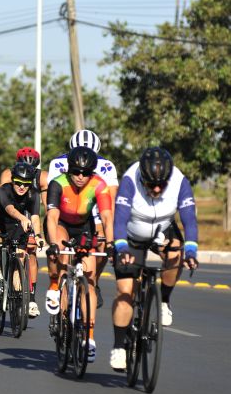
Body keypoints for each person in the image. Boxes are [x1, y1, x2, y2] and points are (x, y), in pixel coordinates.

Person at [109, 147, 198, 370]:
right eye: (151, 184)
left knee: (176, 252)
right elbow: (118, 220)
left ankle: (165, 300)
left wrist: (192, 251)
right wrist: (120, 248)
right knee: (125, 291)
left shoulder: (179, 180)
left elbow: (189, 220)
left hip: (163, 229)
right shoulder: (130, 179)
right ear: (143, 179)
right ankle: (119, 347)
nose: (157, 189)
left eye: (162, 184)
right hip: (132, 234)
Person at [45, 146, 114, 363]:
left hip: (85, 228)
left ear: (92, 172)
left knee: (90, 279)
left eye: (86, 173)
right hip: (63, 224)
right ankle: (56, 285)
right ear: (69, 170)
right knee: (61, 253)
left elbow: (106, 217)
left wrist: (111, 243)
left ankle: (89, 337)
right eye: (76, 172)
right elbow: (52, 217)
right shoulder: (58, 183)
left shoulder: (99, 185)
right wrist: (53, 245)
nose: (81, 177)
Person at [47, 130, 118, 308]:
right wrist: (50, 217)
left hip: (92, 212)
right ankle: (56, 285)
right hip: (64, 210)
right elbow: (49, 194)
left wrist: (109, 235)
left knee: (100, 246)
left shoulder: (106, 166)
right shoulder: (58, 163)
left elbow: (110, 201)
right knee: (60, 248)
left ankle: (94, 282)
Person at [0, 161, 42, 314]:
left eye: (26, 183)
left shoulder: (34, 194)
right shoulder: (3, 191)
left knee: (20, 256)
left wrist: (38, 236)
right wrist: (23, 218)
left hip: (15, 224)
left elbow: (36, 217)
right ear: (12, 180)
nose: (22, 186)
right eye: (18, 182)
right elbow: (10, 209)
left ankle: (17, 298)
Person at [0, 147, 47, 316]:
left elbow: (45, 206)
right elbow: (4, 198)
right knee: (11, 246)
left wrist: (41, 231)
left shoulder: (42, 177)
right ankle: (3, 273)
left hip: (30, 214)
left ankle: (32, 298)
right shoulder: (8, 174)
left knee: (32, 251)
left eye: (32, 170)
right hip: (11, 213)